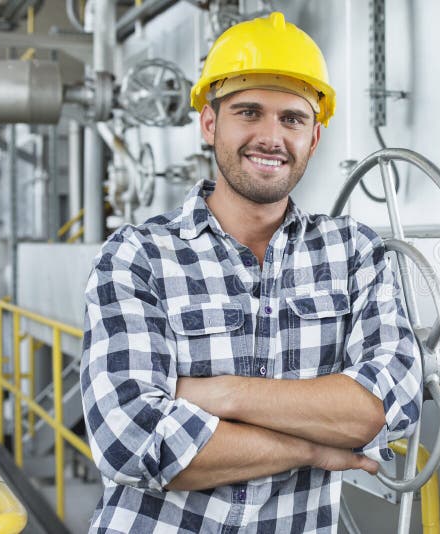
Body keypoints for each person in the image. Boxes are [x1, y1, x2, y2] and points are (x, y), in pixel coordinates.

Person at [80, 12, 422, 533]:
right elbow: (129, 440)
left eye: (292, 119)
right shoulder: (138, 255)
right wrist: (312, 445)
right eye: (249, 112)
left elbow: (382, 408)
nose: (271, 137)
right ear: (210, 122)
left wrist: (221, 393)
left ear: (315, 134)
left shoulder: (354, 253)